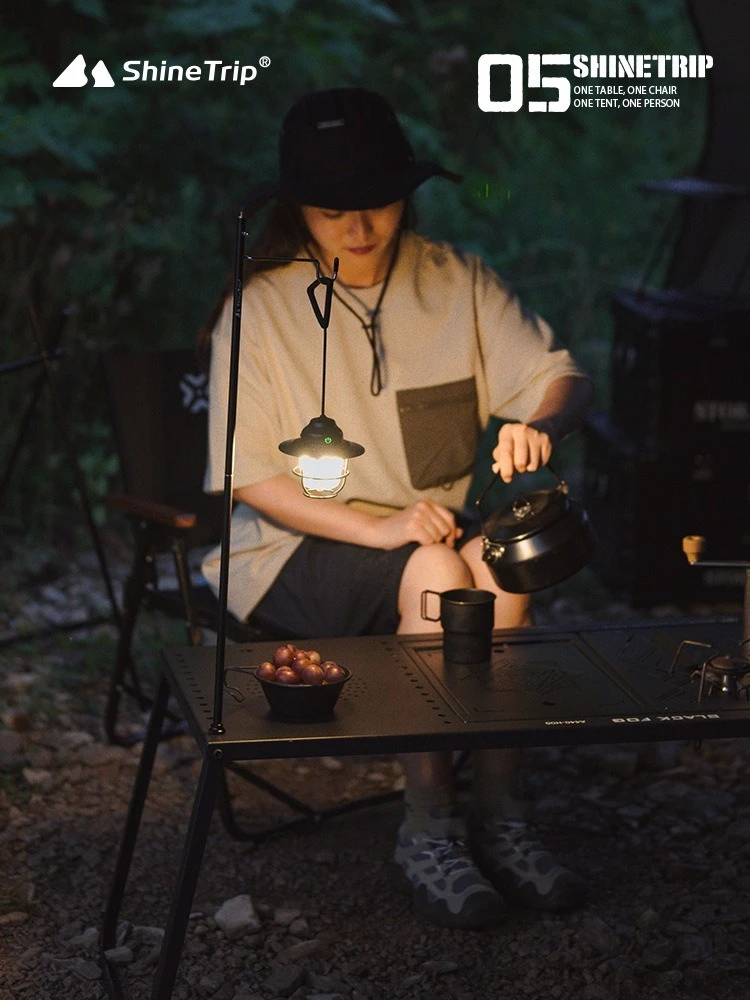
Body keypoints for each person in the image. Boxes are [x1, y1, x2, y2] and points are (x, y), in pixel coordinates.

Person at [200, 88, 594, 929]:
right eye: (331, 207)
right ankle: (430, 823)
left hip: (436, 534)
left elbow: (560, 373)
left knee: (500, 565)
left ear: (406, 192)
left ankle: (503, 809)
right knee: (440, 571)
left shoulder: (455, 280)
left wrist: (538, 425)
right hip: (292, 551)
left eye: (375, 202)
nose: (358, 226)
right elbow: (249, 482)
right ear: (298, 208)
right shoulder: (263, 309)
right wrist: (380, 527)